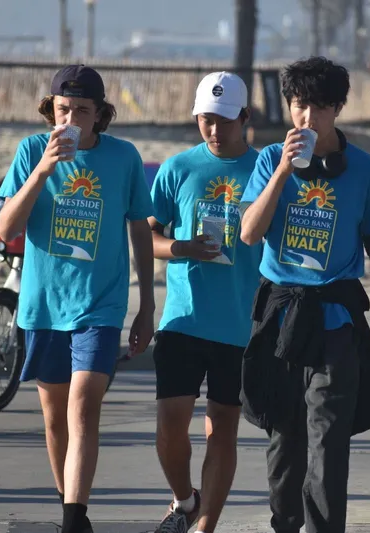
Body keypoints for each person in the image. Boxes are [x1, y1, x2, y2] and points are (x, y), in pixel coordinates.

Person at [238, 56, 370, 533]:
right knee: (285, 441)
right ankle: (284, 524)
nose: (308, 118)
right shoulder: (267, 160)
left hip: (336, 322)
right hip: (280, 318)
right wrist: (283, 170)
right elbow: (248, 233)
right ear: (288, 107)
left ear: (339, 108)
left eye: (320, 107)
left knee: (328, 440)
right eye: (300, 106)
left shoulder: (365, 171)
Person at [0, 65, 155, 533]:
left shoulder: (123, 158)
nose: (70, 119)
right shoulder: (31, 151)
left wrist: (146, 304)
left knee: (83, 405)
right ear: (52, 110)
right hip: (44, 305)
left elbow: (140, 231)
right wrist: (44, 168)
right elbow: (8, 229)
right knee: (53, 419)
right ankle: (70, 504)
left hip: (99, 306)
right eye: (63, 109)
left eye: (82, 111)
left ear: (100, 115)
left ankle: (73, 518)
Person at [148, 72, 262, 533]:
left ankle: (205, 526)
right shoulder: (178, 168)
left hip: (240, 324)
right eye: (206, 120)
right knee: (171, 425)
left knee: (223, 428)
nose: (215, 130)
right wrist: (181, 247)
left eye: (225, 121)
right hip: (183, 319)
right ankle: (184, 499)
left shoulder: (265, 169)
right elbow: (144, 234)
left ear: (246, 118)